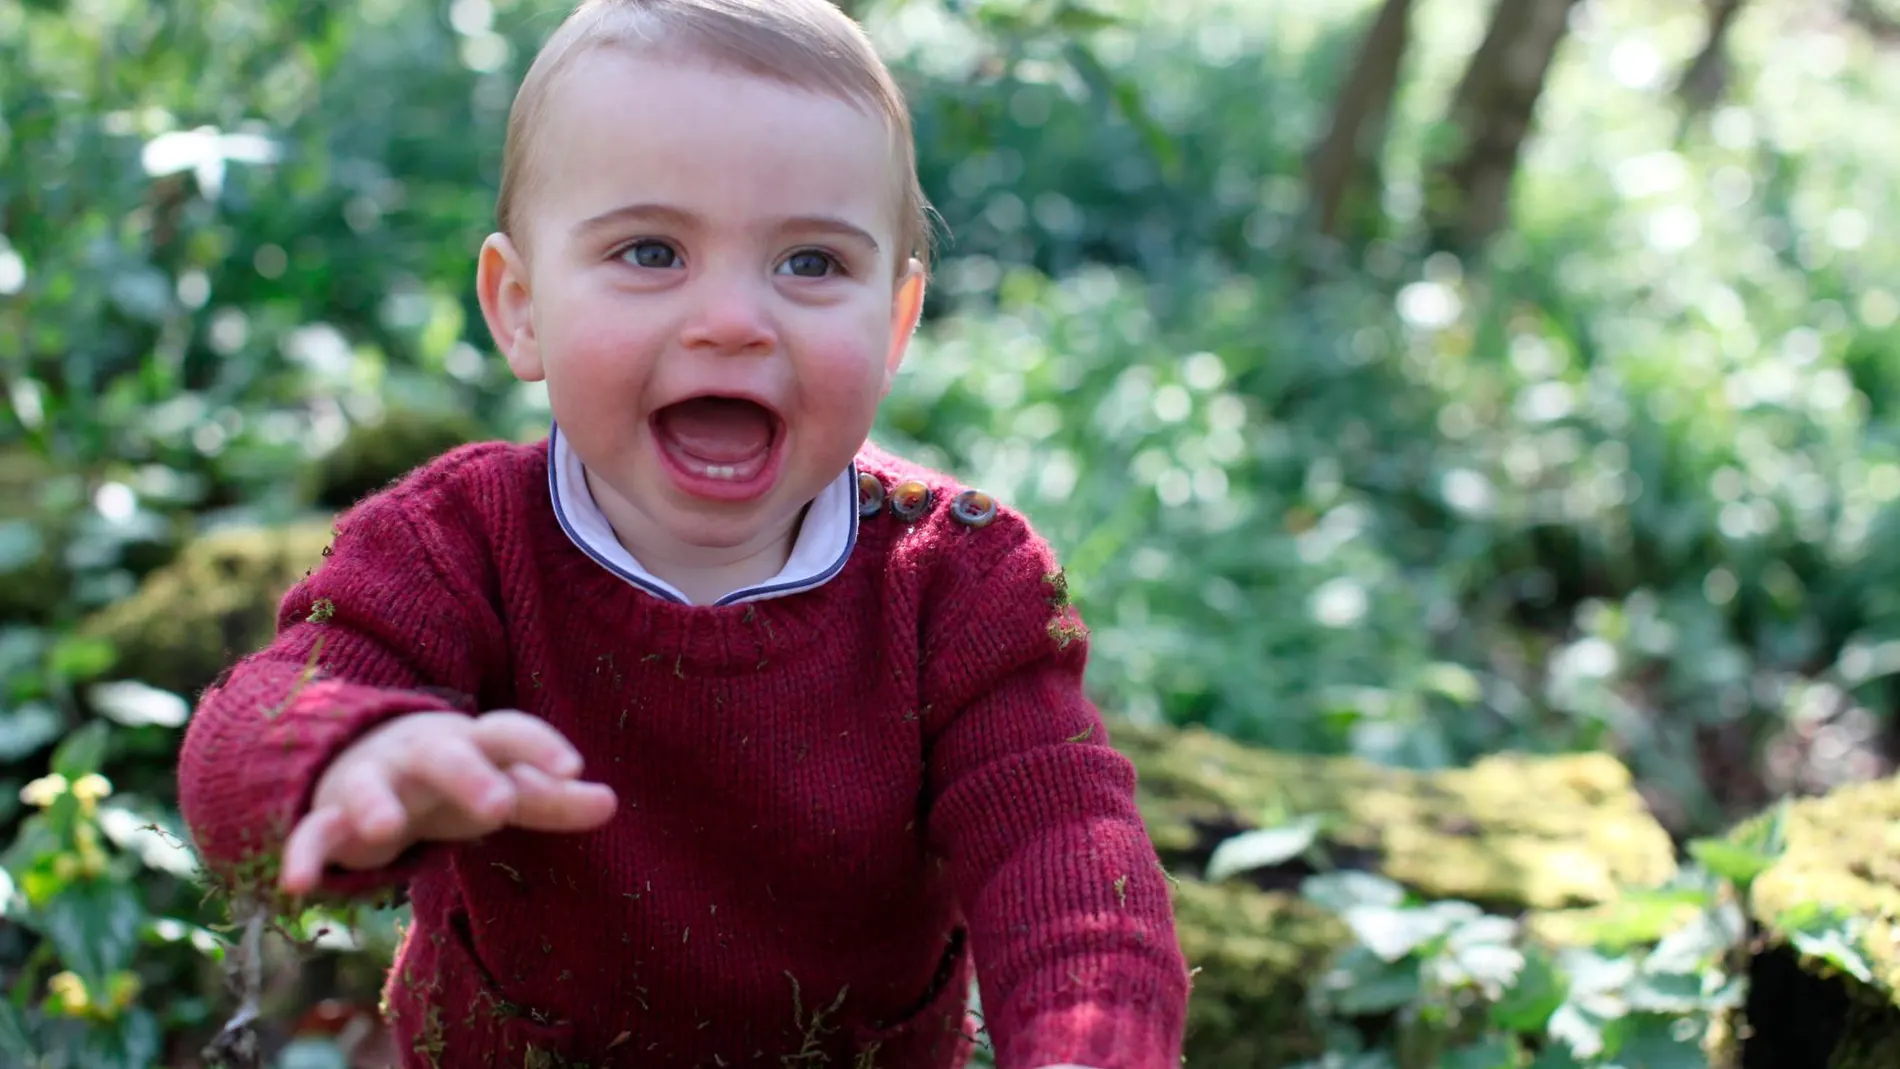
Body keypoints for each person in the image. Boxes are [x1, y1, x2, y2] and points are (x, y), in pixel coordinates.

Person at [175, 1, 1190, 1065]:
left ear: (893, 327)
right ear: (519, 306)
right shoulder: (456, 544)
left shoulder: (956, 581)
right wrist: (348, 750)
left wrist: (1093, 1042)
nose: (733, 319)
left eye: (809, 263)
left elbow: (1066, 851)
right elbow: (247, 730)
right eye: (651, 250)